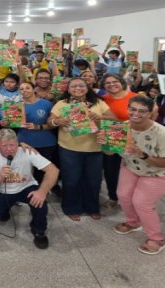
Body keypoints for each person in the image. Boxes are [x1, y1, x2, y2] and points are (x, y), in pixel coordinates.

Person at [113, 96, 165, 255]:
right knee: (123, 195)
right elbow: (108, 152)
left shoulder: (162, 133)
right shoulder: (121, 128)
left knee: (141, 202)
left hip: (161, 172)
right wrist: (105, 143)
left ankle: (157, 239)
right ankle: (133, 222)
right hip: (133, 167)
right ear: (128, 109)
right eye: (132, 109)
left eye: (142, 111)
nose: (136, 113)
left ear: (151, 113)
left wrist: (142, 155)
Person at [48, 77, 116, 221]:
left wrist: (99, 116)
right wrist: (57, 121)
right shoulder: (62, 104)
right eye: (73, 86)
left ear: (87, 87)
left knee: (94, 181)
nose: (77, 88)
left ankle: (92, 207)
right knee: (71, 180)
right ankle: (71, 207)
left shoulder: (98, 103)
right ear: (68, 89)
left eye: (81, 85)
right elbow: (50, 122)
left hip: (95, 149)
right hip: (69, 148)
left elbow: (113, 117)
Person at [0, 129, 59, 249]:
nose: (9, 149)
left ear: (17, 142)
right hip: (2, 190)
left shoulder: (27, 151)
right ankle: (5, 210)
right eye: (4, 146)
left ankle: (39, 230)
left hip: (26, 187)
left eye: (12, 145)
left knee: (40, 202)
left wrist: (42, 191)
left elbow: (53, 170)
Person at [100, 73, 138, 209]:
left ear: (122, 82)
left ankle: (135, 198)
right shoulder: (102, 99)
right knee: (111, 170)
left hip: (133, 137)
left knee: (134, 169)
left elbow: (150, 115)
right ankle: (113, 197)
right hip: (112, 137)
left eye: (115, 81)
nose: (112, 84)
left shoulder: (135, 97)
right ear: (103, 86)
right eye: (107, 83)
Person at [14, 82, 59, 194]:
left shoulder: (47, 104)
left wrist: (38, 127)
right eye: (21, 89)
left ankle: (42, 191)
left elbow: (54, 124)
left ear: (34, 89)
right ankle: (25, 191)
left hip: (46, 142)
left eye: (28, 88)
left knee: (43, 170)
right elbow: (12, 124)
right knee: (24, 170)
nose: (25, 91)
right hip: (25, 142)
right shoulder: (16, 106)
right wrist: (6, 122)